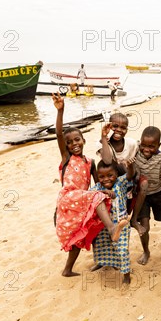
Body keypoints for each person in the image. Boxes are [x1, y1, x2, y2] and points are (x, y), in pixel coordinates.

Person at [51, 93, 127, 277]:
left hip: (81, 202)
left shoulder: (90, 162)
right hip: (69, 198)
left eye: (77, 140)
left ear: (84, 141)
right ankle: (111, 229)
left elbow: (98, 183)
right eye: (69, 143)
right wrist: (61, 110)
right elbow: (59, 133)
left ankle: (67, 270)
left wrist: (108, 191)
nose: (73, 144)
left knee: (77, 236)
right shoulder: (67, 158)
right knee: (99, 197)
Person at [96, 113, 147, 236]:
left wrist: (132, 169)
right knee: (117, 165)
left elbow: (136, 162)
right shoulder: (102, 144)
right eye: (115, 126)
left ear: (127, 130)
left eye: (123, 127)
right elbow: (107, 161)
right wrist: (104, 137)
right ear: (108, 126)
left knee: (144, 184)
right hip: (114, 181)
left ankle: (134, 219)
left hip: (130, 176)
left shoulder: (131, 143)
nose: (119, 130)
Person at [134, 126, 161, 265]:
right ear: (140, 143)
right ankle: (146, 251)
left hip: (158, 193)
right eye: (144, 145)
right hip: (142, 196)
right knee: (144, 226)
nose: (146, 149)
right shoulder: (135, 153)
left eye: (151, 146)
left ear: (158, 145)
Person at [89, 159, 136, 285]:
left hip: (121, 223)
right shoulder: (98, 187)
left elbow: (130, 175)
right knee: (101, 245)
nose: (106, 179)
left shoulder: (120, 182)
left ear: (116, 174)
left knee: (121, 249)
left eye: (110, 175)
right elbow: (89, 194)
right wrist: (103, 192)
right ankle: (102, 263)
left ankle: (126, 275)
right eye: (101, 176)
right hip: (104, 224)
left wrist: (130, 166)